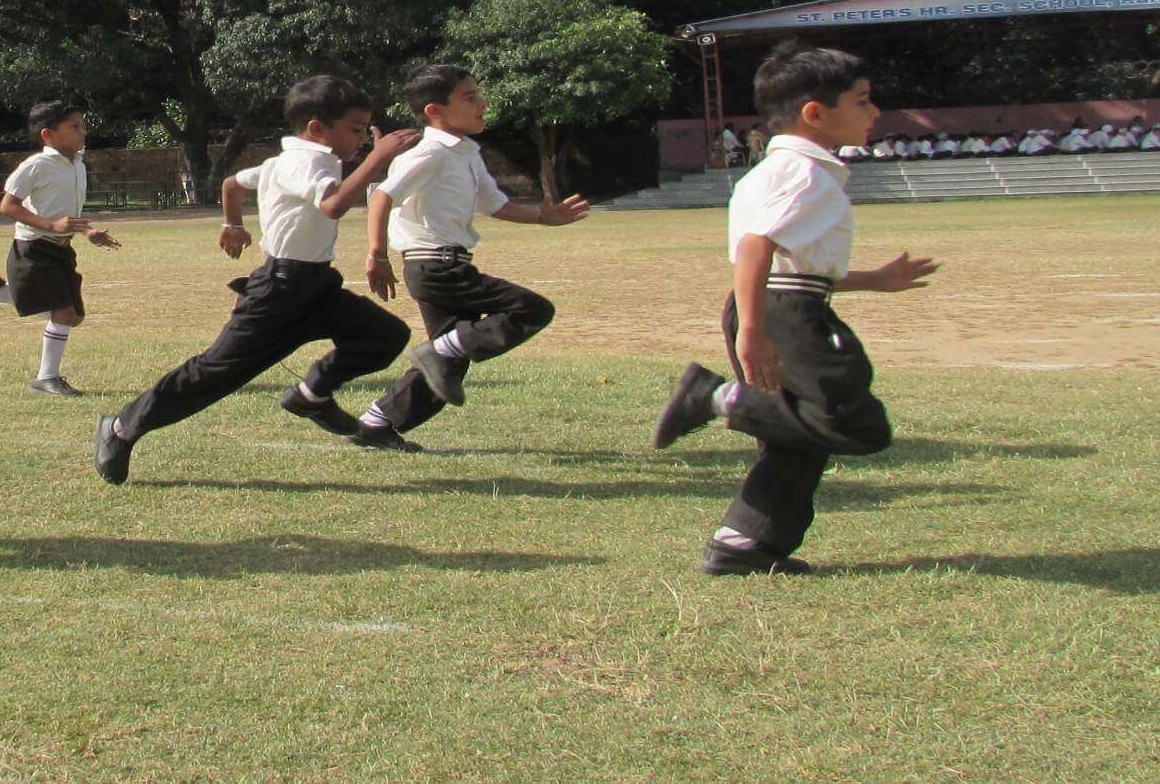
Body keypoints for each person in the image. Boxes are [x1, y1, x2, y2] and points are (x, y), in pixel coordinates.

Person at [649, 40, 940, 575]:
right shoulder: (803, 174)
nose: (875, 112)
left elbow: (795, 263)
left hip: (778, 303)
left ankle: (744, 546)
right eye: (862, 100)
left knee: (795, 437)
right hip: (783, 314)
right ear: (815, 112)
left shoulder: (789, 170)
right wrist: (755, 330)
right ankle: (715, 397)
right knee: (853, 426)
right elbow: (756, 247)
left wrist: (874, 280)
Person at [93, 77, 422, 483]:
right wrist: (380, 157)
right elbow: (334, 205)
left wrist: (233, 223)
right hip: (279, 292)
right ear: (318, 129)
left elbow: (233, 183)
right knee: (213, 372)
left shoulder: (290, 161)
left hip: (316, 286)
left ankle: (311, 396)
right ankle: (120, 428)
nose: (362, 139)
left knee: (384, 335)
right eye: (356, 129)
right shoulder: (308, 162)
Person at [351, 65, 590, 442]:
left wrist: (541, 218)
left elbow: (495, 204)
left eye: (478, 94)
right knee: (532, 309)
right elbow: (382, 195)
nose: (483, 102)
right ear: (435, 111)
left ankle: (375, 424)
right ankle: (437, 351)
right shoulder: (429, 153)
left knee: (448, 365)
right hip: (435, 266)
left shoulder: (466, 152)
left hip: (445, 264)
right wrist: (377, 255)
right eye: (470, 97)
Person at [0, 100, 121, 396]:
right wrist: (49, 226)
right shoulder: (36, 165)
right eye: (74, 127)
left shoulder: (78, 165)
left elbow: (67, 215)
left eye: (83, 126)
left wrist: (87, 231)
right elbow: (8, 206)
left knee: (74, 317)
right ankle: (46, 378)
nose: (83, 132)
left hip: (61, 249)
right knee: (62, 312)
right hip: (33, 248)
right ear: (48, 135)